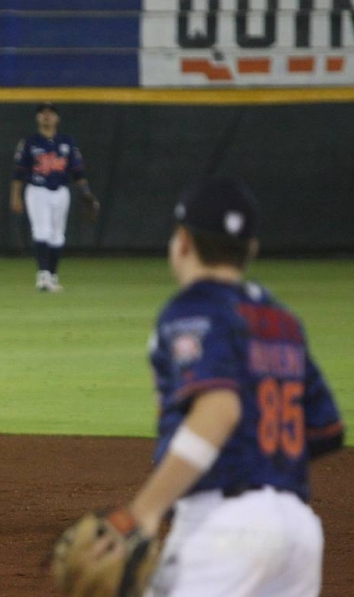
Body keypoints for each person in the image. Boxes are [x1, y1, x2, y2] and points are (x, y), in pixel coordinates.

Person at [56, 178, 344, 596]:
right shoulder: (284, 321)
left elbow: (220, 408)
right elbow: (326, 430)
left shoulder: (192, 308)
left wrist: (145, 512)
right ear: (252, 250)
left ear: (183, 242)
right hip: (298, 532)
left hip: (222, 527)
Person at [9, 102, 100, 292]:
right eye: (42, 113)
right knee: (41, 231)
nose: (47, 116)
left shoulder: (67, 142)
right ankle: (42, 276)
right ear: (38, 118)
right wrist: (15, 196)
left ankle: (52, 276)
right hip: (37, 190)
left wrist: (86, 193)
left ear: (57, 118)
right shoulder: (29, 142)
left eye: (51, 113)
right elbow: (19, 172)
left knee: (58, 236)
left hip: (61, 191)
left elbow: (78, 172)